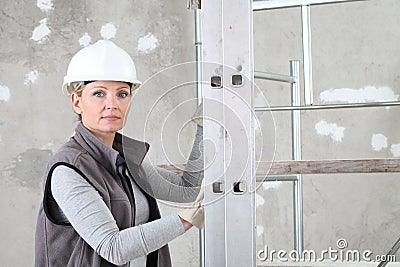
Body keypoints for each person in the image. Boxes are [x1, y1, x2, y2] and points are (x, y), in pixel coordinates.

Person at [35, 40, 204, 267]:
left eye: (122, 94)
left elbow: (187, 190)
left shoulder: (125, 158)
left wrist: (205, 124)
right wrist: (186, 218)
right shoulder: (69, 169)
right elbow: (113, 247)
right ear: (77, 102)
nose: (112, 104)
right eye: (98, 94)